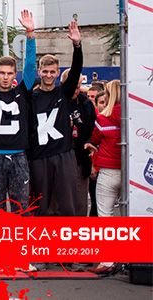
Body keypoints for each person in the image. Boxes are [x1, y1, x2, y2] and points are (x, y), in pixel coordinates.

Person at [0, 10, 37, 214]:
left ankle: (20, 245)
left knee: (22, 209)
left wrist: (30, 34)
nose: (5, 77)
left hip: (19, 156)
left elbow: (30, 67)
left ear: (15, 74)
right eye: (1, 73)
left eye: (10, 73)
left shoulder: (23, 91)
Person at [28, 18, 83, 217]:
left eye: (53, 71)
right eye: (45, 71)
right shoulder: (31, 97)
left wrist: (77, 45)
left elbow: (76, 71)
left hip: (63, 153)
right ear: (39, 72)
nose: (49, 75)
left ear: (58, 72)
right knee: (41, 206)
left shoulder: (64, 93)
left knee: (67, 205)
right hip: (38, 156)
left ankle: (67, 244)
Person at [85, 80, 122, 275]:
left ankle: (108, 260)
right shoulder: (134, 118)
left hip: (108, 171)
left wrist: (91, 146)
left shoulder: (103, 118)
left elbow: (94, 139)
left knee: (105, 216)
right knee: (130, 217)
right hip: (130, 172)